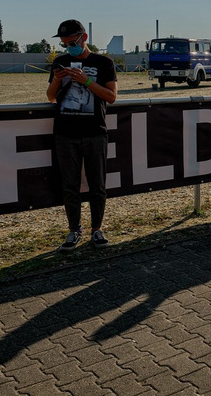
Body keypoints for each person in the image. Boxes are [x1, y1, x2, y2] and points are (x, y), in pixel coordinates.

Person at [46, 20, 118, 251]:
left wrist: (85, 80)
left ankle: (97, 229)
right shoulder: (60, 61)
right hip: (65, 133)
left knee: (97, 184)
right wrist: (59, 79)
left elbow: (111, 96)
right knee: (70, 185)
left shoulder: (103, 62)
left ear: (84, 38)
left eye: (72, 43)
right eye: (65, 44)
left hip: (95, 132)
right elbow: (50, 97)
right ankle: (73, 230)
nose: (69, 48)